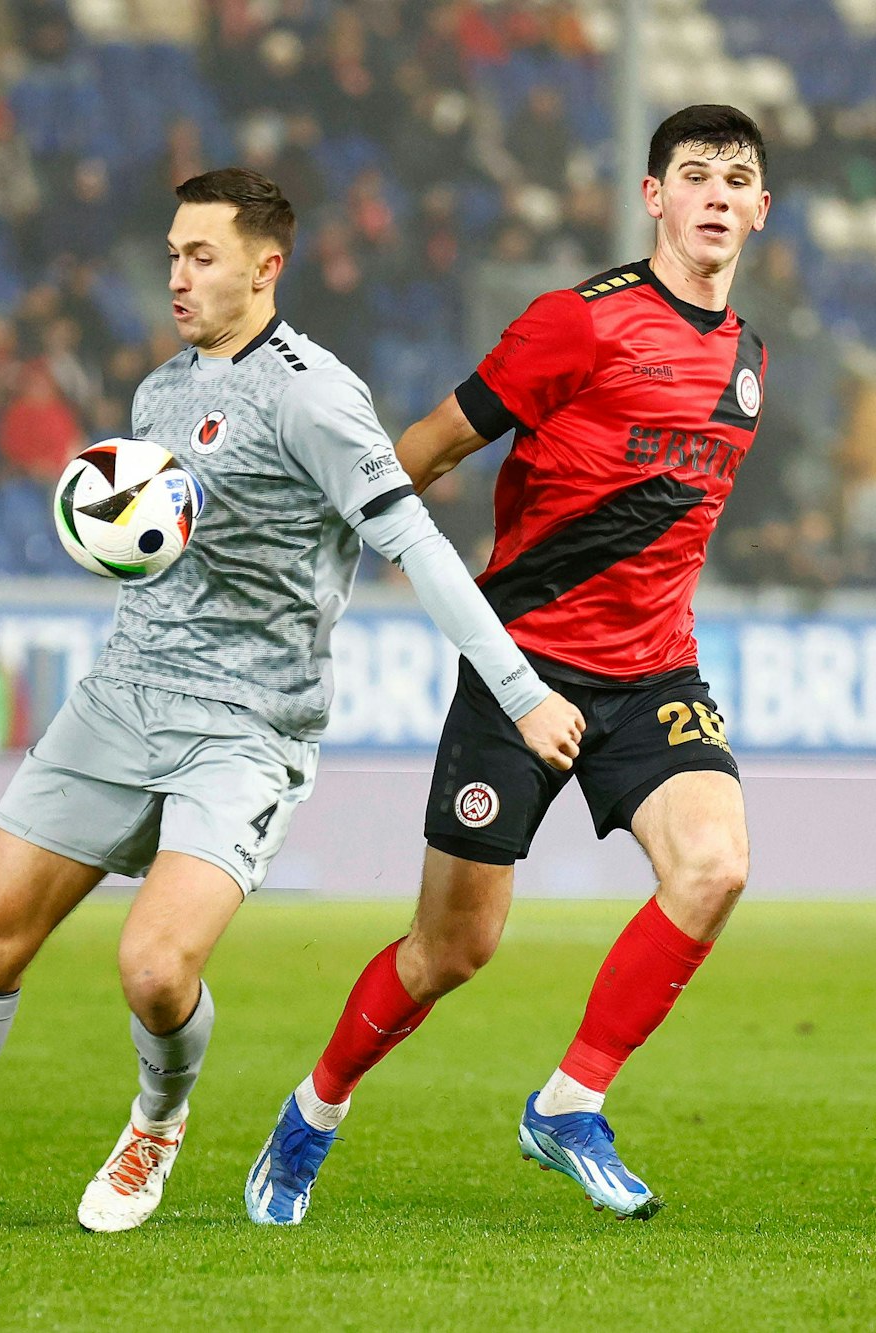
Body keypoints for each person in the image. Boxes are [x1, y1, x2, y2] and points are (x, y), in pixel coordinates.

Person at [0, 167, 583, 1235]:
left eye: (201, 257)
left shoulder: (313, 396)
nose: (178, 278)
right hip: (121, 697)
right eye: (172, 257)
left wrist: (518, 692)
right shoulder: (159, 392)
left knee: (151, 968)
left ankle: (157, 1114)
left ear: (264, 267)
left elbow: (413, 543)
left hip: (242, 726)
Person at [245, 105, 773, 1226]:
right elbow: (426, 449)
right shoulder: (575, 325)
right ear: (653, 198)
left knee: (714, 866)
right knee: (451, 949)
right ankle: (313, 1110)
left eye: (737, 177)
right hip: (519, 669)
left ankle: (568, 1103)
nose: (716, 193)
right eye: (694, 174)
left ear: (760, 210)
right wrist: (322, 563)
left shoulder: (749, 364)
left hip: (652, 676)